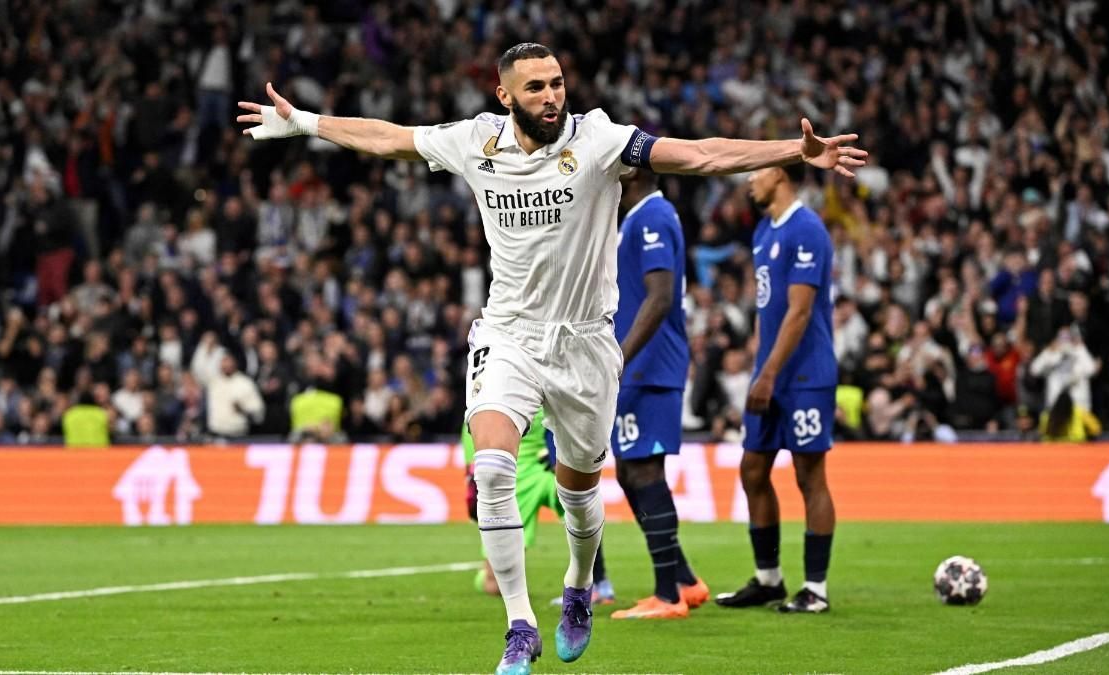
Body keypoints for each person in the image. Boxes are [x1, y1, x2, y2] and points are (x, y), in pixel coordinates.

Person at [239, 42, 863, 675]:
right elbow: (389, 138)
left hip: (588, 342)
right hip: (508, 334)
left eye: (557, 83)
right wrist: (306, 123)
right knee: (491, 469)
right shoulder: (475, 142)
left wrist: (794, 150)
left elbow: (698, 154)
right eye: (535, 87)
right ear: (505, 95)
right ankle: (519, 625)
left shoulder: (599, 141)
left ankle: (578, 585)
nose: (551, 97)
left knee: (580, 491)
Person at [716, 163, 838, 614]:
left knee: (810, 477)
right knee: (752, 470)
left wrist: (767, 372)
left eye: (756, 171)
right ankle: (769, 579)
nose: (748, 178)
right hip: (769, 371)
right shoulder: (765, 231)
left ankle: (816, 588)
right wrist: (759, 365)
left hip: (806, 374)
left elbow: (800, 312)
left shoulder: (807, 229)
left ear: (781, 176)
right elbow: (766, 311)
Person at [607, 169, 707, 620]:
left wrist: (621, 356)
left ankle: (668, 596)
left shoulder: (652, 216)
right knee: (631, 472)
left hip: (649, 366)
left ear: (636, 169)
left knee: (644, 472)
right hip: (642, 368)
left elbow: (661, 295)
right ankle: (684, 579)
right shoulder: (638, 217)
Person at [461, 410, 614, 603]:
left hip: (550, 465)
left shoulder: (551, 381)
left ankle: (598, 584)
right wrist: (472, 472)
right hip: (516, 474)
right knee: (495, 585)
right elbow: (474, 423)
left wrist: (557, 452)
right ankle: (486, 575)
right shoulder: (493, 386)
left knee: (583, 509)